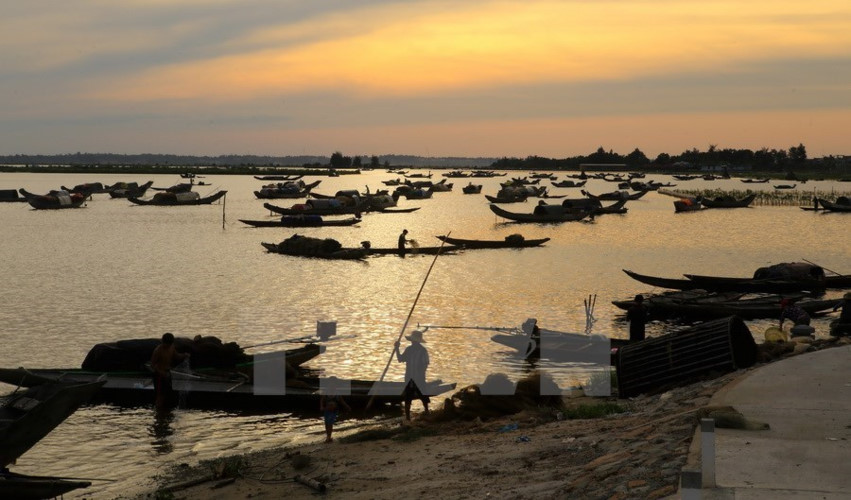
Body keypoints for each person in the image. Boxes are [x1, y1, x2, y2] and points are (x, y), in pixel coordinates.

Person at [394, 330, 430, 420]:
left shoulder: (423, 351)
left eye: (414, 340)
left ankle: (427, 411)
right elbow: (400, 359)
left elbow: (425, 364)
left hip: (419, 377)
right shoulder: (409, 349)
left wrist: (419, 375)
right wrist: (397, 348)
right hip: (409, 376)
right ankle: (407, 417)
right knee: (408, 397)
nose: (413, 342)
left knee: (423, 395)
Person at [150, 333, 190, 411]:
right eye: (165, 345)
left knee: (167, 394)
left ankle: (165, 414)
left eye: (168, 345)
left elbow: (176, 356)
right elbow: (152, 365)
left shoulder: (171, 347)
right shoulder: (158, 350)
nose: (167, 347)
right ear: (162, 342)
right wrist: (161, 373)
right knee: (160, 396)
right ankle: (158, 413)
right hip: (159, 376)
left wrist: (184, 355)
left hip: (168, 373)